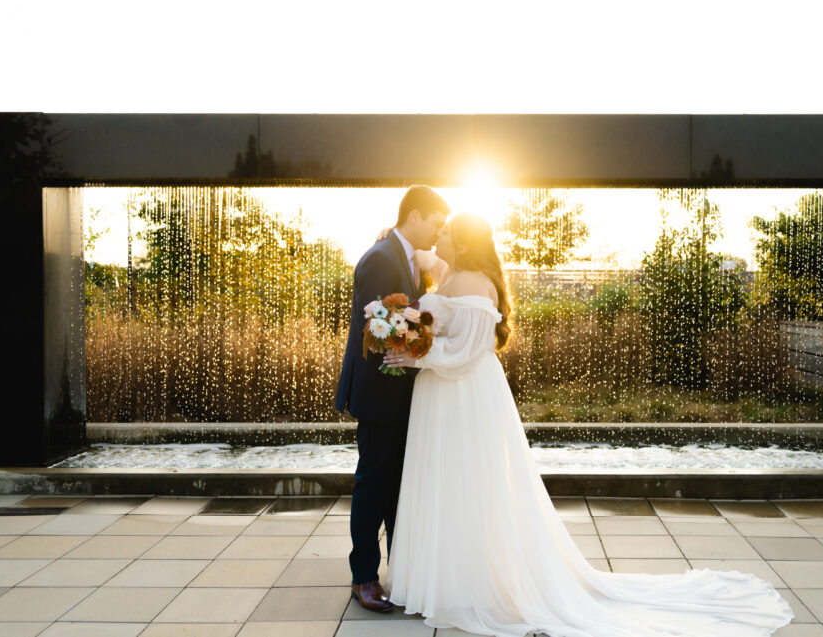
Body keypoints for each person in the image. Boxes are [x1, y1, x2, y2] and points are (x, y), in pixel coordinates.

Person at [382, 212, 794, 637]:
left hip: (462, 394)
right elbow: (430, 263)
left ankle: (468, 584)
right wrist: (405, 267)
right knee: (447, 482)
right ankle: (443, 577)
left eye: (447, 231)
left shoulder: (472, 282)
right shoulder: (452, 271)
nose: (440, 234)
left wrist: (417, 355)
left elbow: (468, 349)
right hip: (444, 395)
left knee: (468, 484)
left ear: (463, 244)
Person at [335, 184, 450, 612]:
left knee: (398, 485)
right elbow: (377, 328)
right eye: (436, 224)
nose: (439, 234)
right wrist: (421, 342)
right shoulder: (382, 258)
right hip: (382, 392)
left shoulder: (403, 256)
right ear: (415, 216)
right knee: (374, 485)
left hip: (400, 393)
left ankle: (401, 571)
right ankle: (363, 577)